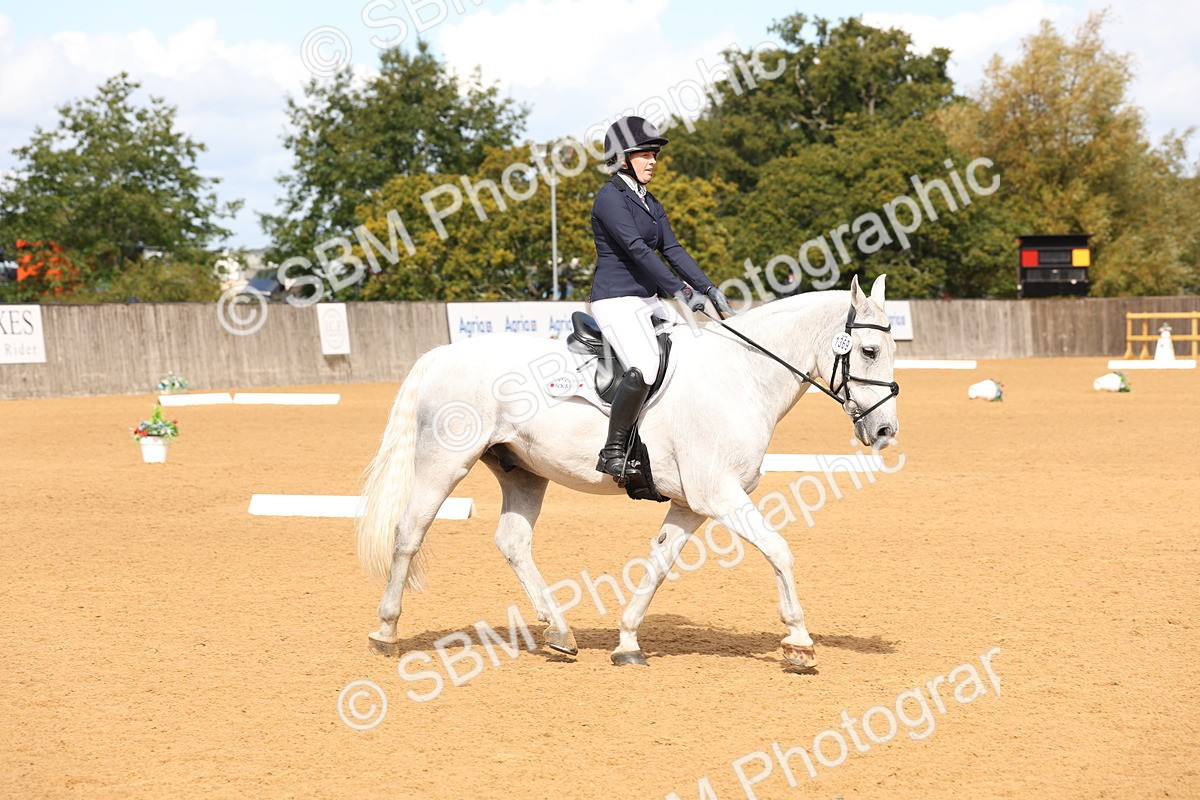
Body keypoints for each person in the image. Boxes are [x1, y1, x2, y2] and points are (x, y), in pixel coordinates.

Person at [589, 115, 734, 482]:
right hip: (616, 299)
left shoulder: (650, 202)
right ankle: (614, 451)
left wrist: (709, 287)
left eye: (654, 154)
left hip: (647, 299)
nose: (653, 160)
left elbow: (673, 248)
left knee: (691, 350)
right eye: (644, 154)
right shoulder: (610, 198)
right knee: (646, 364)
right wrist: (683, 292)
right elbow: (638, 251)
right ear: (622, 158)